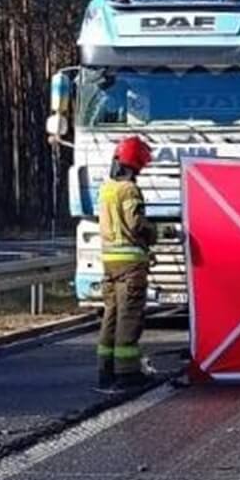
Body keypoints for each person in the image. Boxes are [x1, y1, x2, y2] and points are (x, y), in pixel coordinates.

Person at [97, 136, 157, 392]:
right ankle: (127, 373)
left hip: (109, 261)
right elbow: (135, 224)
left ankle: (105, 370)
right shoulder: (129, 190)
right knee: (129, 316)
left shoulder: (106, 188)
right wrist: (153, 232)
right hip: (130, 263)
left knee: (110, 315)